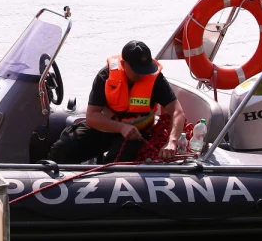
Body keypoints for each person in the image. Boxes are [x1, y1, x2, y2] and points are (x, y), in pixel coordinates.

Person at [48, 40, 186, 164]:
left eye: (145, 69)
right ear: (123, 64)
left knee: (114, 163)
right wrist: (121, 127)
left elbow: (177, 111)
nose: (142, 74)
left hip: (136, 135)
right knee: (62, 149)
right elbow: (92, 116)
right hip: (105, 128)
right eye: (137, 70)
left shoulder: (156, 80)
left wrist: (172, 142)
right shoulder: (105, 76)